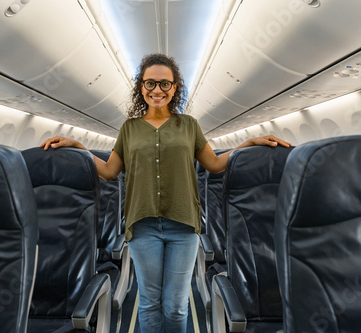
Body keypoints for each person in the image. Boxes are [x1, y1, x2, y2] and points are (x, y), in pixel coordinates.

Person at [40, 53, 291, 333]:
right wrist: (78, 146)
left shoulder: (189, 125)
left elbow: (215, 164)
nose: (157, 90)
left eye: (164, 84)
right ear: (141, 87)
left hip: (183, 225)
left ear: (174, 88)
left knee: (175, 305)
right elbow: (110, 171)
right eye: (150, 83)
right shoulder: (130, 128)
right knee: (148, 302)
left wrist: (249, 142)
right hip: (142, 224)